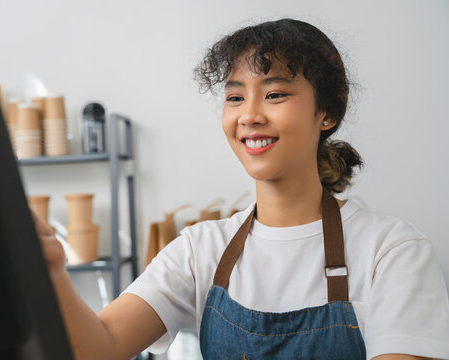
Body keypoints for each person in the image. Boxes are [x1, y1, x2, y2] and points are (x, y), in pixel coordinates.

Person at [33, 18, 449, 360]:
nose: (248, 116)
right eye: (234, 97)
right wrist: (51, 270)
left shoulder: (392, 251)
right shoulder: (201, 250)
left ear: (327, 112)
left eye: (275, 94)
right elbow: (100, 345)